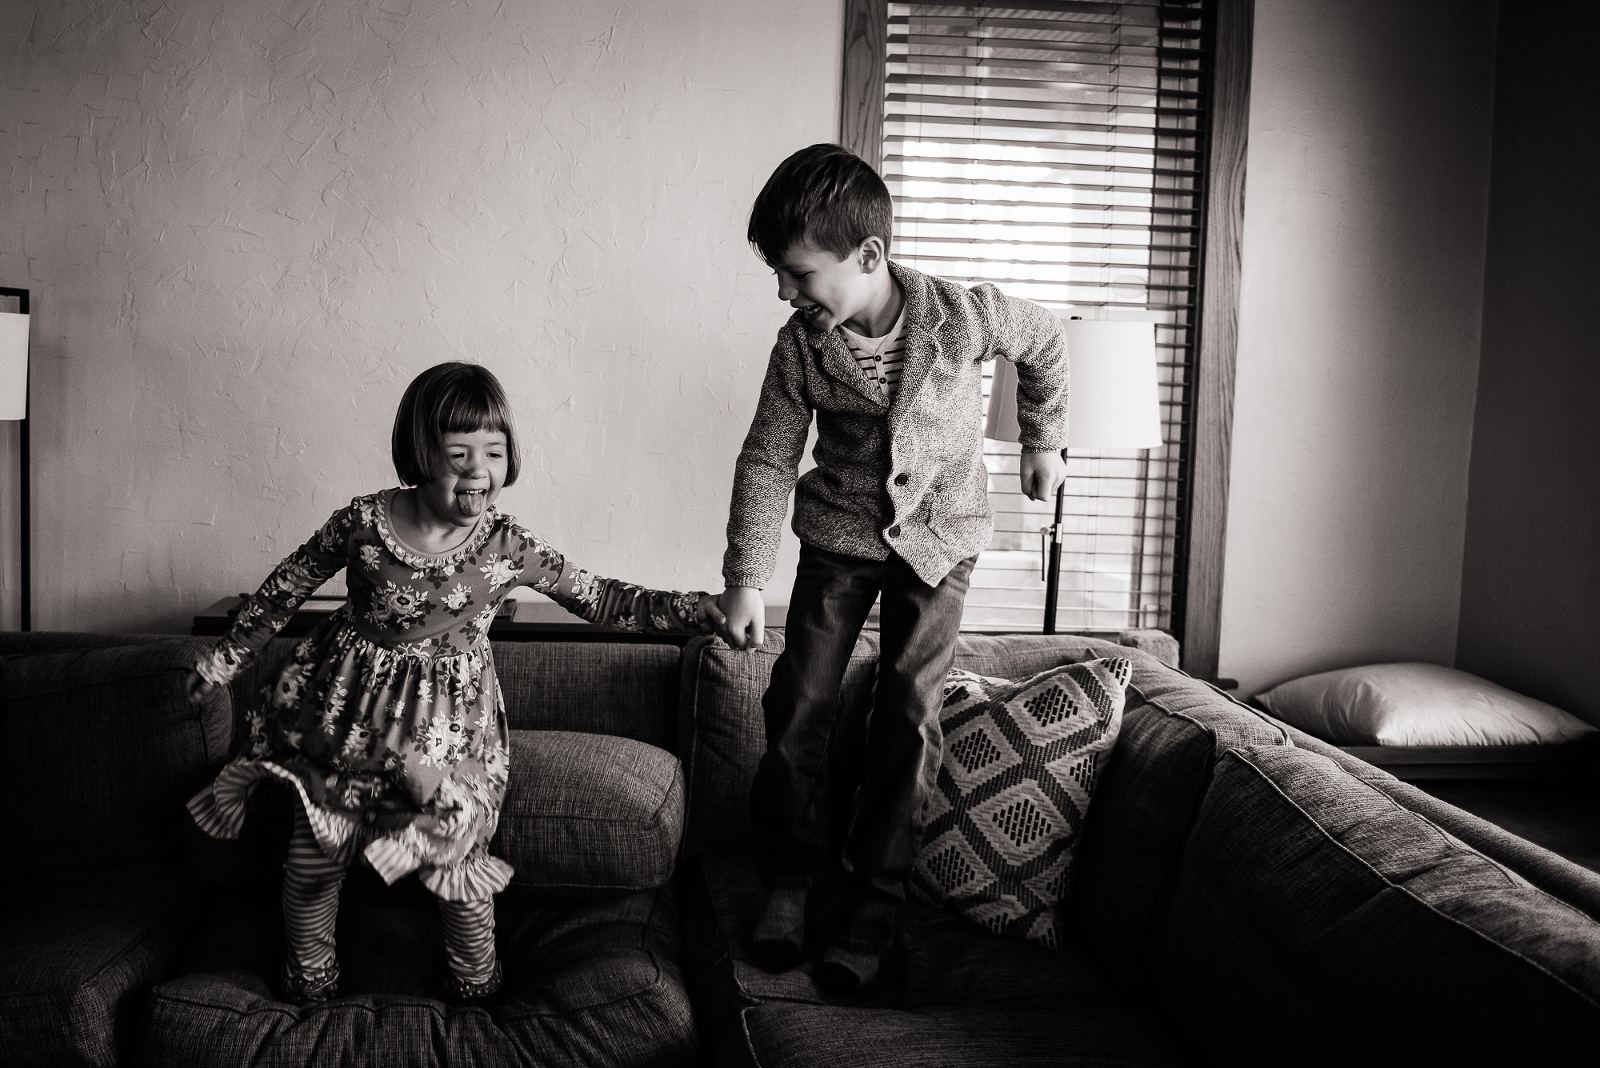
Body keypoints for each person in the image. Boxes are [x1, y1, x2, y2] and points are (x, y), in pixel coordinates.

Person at [185, 362, 723, 1004]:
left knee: (457, 871)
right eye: (458, 453)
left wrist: (697, 610)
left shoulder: (508, 545)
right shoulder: (363, 524)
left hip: (446, 741)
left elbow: (601, 597)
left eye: (494, 452)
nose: (478, 470)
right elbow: (285, 586)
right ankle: (310, 979)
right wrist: (225, 659)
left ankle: (476, 986)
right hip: (342, 726)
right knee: (310, 864)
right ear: (419, 453)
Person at [716, 144, 1069, 994]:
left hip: (940, 541)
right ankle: (793, 883)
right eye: (778, 276)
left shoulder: (963, 315)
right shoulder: (801, 347)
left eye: (798, 274)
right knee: (800, 702)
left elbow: (1048, 340)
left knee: (907, 716)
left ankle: (872, 910)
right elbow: (769, 458)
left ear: (867, 257)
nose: (785, 293)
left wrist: (1043, 442)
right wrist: (743, 575)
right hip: (840, 536)